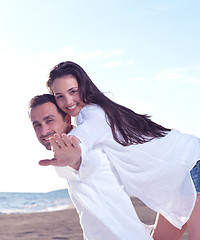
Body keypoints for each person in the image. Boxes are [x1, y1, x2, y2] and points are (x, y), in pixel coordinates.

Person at [43, 61, 200, 240]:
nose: (68, 101)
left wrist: (67, 145)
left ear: (84, 86)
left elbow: (86, 133)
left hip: (192, 163)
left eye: (73, 91)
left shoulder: (93, 112)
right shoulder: (96, 113)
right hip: (178, 176)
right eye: (59, 96)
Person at [29, 94, 153, 240]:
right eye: (37, 125)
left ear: (67, 120)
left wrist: (75, 161)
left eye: (49, 121)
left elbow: (88, 163)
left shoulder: (89, 149)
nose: (44, 131)